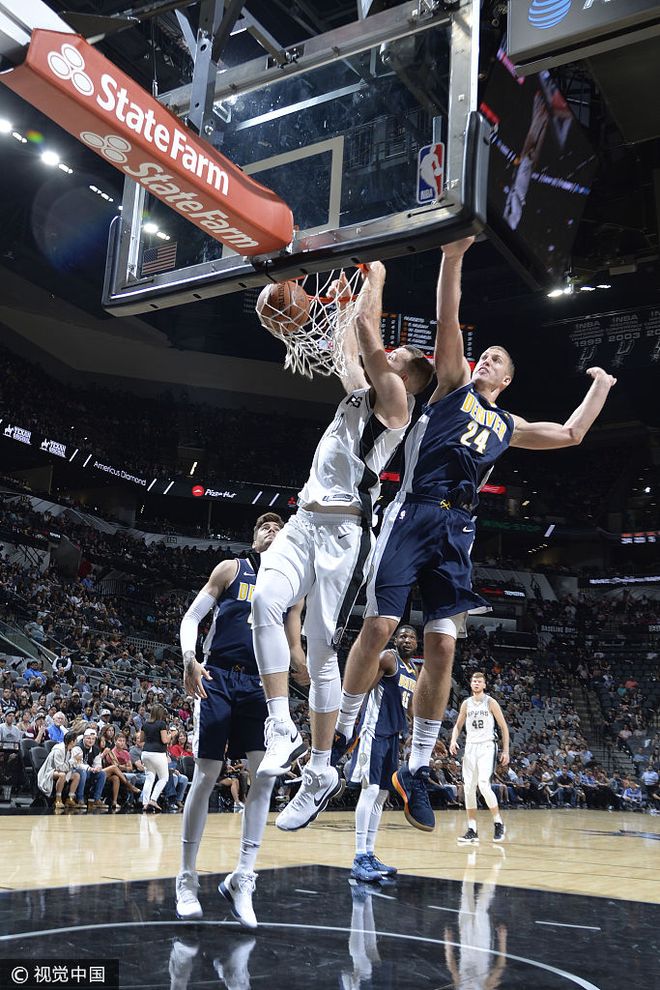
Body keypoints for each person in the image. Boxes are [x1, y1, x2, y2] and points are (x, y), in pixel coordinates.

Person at [335, 236, 616, 831]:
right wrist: (454, 255)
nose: (485, 360)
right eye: (482, 353)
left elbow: (571, 435)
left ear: (508, 379)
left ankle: (415, 767)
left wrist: (601, 387)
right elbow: (447, 318)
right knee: (381, 626)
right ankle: (342, 729)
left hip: (458, 528)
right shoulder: (452, 385)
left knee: (443, 646)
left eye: (495, 359)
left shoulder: (508, 424)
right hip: (415, 510)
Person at [251, 263, 434, 833]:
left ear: (407, 377)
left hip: (345, 535)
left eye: (398, 357)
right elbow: (348, 349)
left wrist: (373, 279)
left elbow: (367, 337)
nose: (390, 355)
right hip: (304, 519)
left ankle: (321, 769)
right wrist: (329, 307)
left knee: (321, 652)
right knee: (264, 602)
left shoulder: (397, 403)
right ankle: (281, 725)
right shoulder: (364, 391)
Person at [176, 513, 305, 927]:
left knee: (265, 775)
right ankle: (186, 877)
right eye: (265, 526)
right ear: (254, 537)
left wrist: (309, 667)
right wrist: (190, 659)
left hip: (263, 686)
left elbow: (293, 644)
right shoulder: (231, 569)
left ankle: (243, 877)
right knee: (206, 774)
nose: (272, 530)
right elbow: (192, 618)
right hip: (217, 677)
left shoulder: (293, 585)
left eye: (279, 527)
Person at [345, 625, 418, 881]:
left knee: (382, 795)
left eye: (411, 637)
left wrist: (418, 730)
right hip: (374, 730)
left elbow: (410, 706)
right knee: (370, 790)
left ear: (416, 643)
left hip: (393, 735)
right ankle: (359, 857)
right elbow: (366, 686)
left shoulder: (413, 670)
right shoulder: (388, 658)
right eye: (402, 636)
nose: (407, 640)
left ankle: (369, 853)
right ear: (395, 640)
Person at [448, 672, 510, 844]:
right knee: (468, 788)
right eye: (474, 681)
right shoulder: (466, 704)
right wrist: (453, 740)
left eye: (479, 681)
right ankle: (472, 830)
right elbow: (458, 725)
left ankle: (498, 823)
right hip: (470, 747)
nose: (476, 683)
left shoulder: (490, 702)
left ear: (484, 685)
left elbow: (504, 727)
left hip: (487, 746)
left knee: (483, 784)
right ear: (471, 684)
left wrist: (506, 751)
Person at [138, 703, 171, 812]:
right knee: (164, 778)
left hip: (145, 753)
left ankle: (145, 803)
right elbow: (165, 740)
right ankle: (153, 800)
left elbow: (141, 740)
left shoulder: (145, 724)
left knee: (149, 777)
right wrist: (172, 735)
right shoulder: (161, 724)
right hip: (158, 754)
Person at [37, 730, 82, 809]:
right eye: (76, 740)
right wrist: (74, 760)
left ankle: (70, 798)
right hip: (49, 771)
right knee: (62, 775)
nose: (77, 742)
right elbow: (59, 767)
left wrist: (76, 761)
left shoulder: (70, 749)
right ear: (72, 741)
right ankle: (58, 798)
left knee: (76, 775)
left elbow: (70, 765)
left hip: (62, 770)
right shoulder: (59, 750)